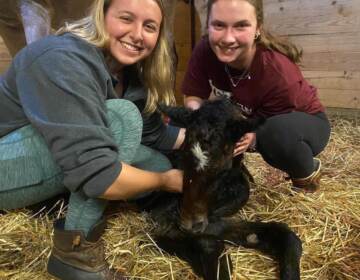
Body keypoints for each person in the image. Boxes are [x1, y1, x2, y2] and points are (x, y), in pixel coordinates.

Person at [0, 0, 184, 279]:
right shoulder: (61, 58)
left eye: (149, 26)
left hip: (47, 153)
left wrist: (217, 139)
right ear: (101, 16)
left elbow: (155, 135)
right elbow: (100, 177)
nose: (137, 34)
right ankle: (75, 253)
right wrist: (166, 181)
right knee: (121, 119)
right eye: (126, 18)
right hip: (5, 166)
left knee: (156, 162)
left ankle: (52, 200)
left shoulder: (128, 71)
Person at [182, 0, 331, 192]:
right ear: (208, 26)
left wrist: (249, 137)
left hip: (302, 125)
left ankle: (305, 175)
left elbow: (264, 126)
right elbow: (193, 95)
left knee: (274, 135)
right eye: (218, 25)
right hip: (248, 116)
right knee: (187, 122)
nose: (228, 38)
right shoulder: (205, 50)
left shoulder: (276, 70)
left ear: (257, 29)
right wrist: (200, 122)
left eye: (241, 25)